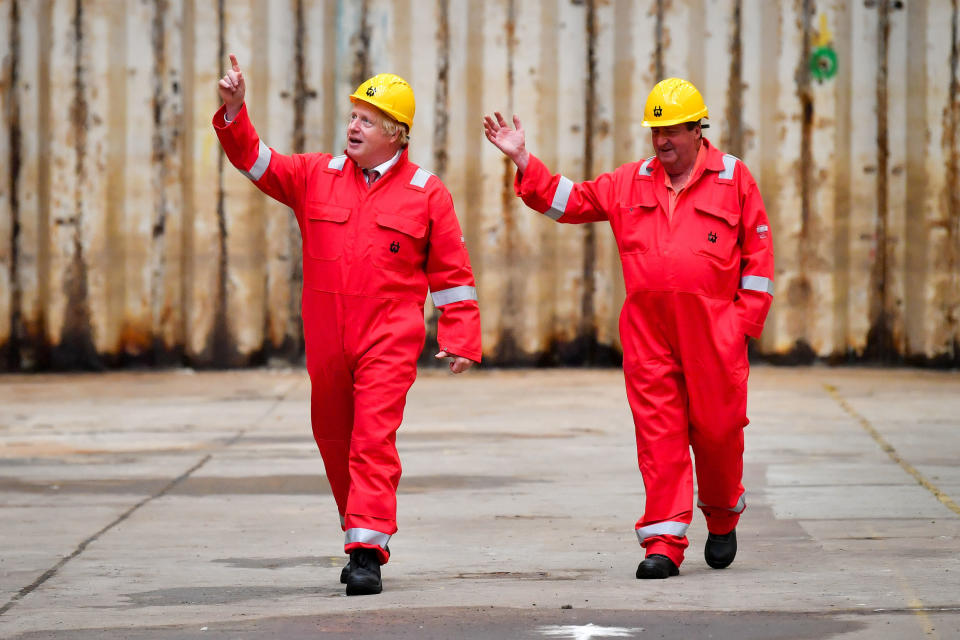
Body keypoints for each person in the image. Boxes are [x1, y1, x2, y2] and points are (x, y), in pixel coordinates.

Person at [483, 78, 773, 579]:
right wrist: (523, 161)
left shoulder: (734, 178)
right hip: (649, 337)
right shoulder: (629, 181)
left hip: (714, 337)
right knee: (658, 439)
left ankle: (722, 516)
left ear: (697, 130)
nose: (661, 142)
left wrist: (741, 324)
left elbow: (759, 256)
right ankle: (663, 541)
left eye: (672, 132)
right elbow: (567, 201)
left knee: (720, 433)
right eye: (655, 131)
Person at [215, 55, 481, 595]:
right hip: (328, 338)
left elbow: (452, 274)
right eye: (353, 116)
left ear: (395, 133)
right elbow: (256, 161)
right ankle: (359, 524)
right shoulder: (316, 175)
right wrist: (236, 112)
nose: (352, 126)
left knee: (372, 439)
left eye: (366, 119)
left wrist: (460, 337)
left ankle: (366, 551)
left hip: (389, 335)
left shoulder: (427, 192)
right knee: (334, 436)